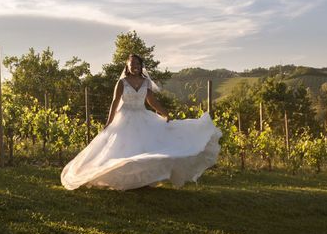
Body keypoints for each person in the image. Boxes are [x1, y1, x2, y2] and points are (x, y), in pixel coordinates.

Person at [61, 54, 221, 190]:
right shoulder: (121, 83)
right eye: (132, 64)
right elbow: (115, 102)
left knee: (148, 150)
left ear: (141, 66)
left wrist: (164, 113)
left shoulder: (145, 82)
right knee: (125, 150)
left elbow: (151, 101)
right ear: (127, 66)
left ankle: (141, 181)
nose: (135, 66)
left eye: (137, 64)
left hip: (143, 116)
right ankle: (123, 180)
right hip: (125, 118)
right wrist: (109, 122)